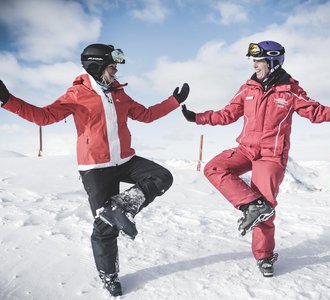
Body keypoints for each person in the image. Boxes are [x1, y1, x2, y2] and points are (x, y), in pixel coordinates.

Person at [0, 43, 190, 296]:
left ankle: (122, 207)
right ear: (96, 65)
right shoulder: (76, 94)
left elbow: (145, 115)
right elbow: (43, 117)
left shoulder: (119, 93)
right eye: (112, 67)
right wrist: (7, 100)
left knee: (162, 175)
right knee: (105, 228)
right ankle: (109, 275)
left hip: (124, 159)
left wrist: (174, 101)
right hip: (95, 167)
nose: (116, 72)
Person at [181, 40, 330, 278]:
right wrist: (197, 117)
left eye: (259, 61)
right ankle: (251, 205)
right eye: (254, 61)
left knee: (265, 205)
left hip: (271, 156)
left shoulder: (290, 90)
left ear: (273, 62)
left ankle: (264, 256)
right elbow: (227, 114)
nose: (254, 65)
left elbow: (316, 112)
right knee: (215, 168)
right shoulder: (247, 88)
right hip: (246, 149)